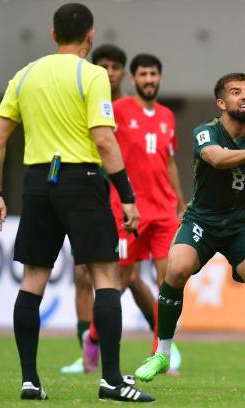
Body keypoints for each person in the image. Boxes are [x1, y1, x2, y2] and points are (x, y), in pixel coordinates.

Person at [0, 3, 154, 402]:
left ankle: (29, 381)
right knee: (106, 278)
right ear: (90, 35)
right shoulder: (91, 74)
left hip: (37, 182)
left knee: (33, 281)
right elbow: (104, 140)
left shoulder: (24, 75)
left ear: (52, 34)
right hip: (83, 180)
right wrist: (127, 197)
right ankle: (111, 380)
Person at [134, 73, 245, 391]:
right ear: (221, 103)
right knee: (176, 268)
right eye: (235, 93)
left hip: (244, 225)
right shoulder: (206, 132)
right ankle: (161, 354)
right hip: (202, 220)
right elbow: (216, 158)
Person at [82, 53, 186, 374]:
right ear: (133, 79)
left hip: (164, 212)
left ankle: (160, 355)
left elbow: (168, 162)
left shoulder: (168, 116)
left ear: (160, 78)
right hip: (127, 211)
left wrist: (181, 204)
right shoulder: (118, 110)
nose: (149, 79)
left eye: (154, 74)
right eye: (143, 74)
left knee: (169, 282)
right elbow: (99, 145)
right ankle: (94, 338)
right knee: (122, 280)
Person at [60, 42, 133, 375]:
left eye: (115, 67)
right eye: (103, 66)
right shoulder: (86, 100)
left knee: (126, 275)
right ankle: (86, 352)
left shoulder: (132, 109)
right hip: (91, 196)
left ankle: (163, 346)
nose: (109, 72)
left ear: (122, 72)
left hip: (124, 200)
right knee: (81, 275)